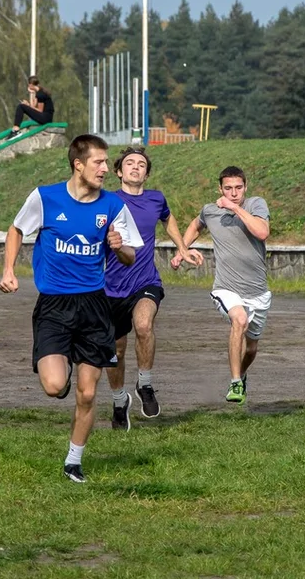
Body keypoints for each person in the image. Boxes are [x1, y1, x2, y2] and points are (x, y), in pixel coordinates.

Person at [0, 134, 143, 483]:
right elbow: (17, 230)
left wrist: (119, 245)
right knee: (53, 386)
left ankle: (73, 461)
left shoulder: (112, 206)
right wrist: (8, 270)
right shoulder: (45, 197)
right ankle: (62, 373)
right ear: (78, 164)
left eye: (107, 163)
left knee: (89, 391)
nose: (106, 169)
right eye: (99, 162)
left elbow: (130, 256)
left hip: (94, 306)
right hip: (54, 306)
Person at [103, 147, 202, 430]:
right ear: (119, 171)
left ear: (147, 172)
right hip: (111, 288)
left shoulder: (156, 198)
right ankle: (119, 400)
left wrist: (183, 248)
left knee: (144, 325)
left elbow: (168, 218)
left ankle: (145, 384)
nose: (136, 167)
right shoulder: (107, 201)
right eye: (130, 163)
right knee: (116, 351)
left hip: (146, 280)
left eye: (142, 164)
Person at [174, 166, 270, 405]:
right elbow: (196, 225)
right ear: (220, 189)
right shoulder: (210, 211)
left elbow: (262, 232)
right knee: (239, 320)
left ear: (245, 187)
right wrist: (181, 250)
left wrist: (235, 208)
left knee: (251, 349)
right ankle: (235, 382)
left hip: (258, 292)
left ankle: (243, 374)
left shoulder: (256, 205)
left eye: (238, 188)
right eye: (228, 188)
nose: (233, 192)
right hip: (226, 287)